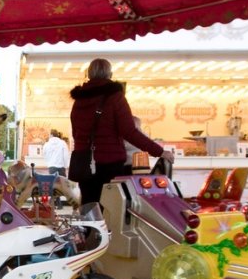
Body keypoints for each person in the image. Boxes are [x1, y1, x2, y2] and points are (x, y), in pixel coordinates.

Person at [69, 58, 172, 206]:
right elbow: (129, 132)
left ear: (89, 74)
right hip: (110, 163)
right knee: (111, 206)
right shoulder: (115, 97)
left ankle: (89, 222)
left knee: (89, 205)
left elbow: (75, 132)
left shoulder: (79, 100)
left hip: (84, 163)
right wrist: (159, 151)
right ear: (110, 74)